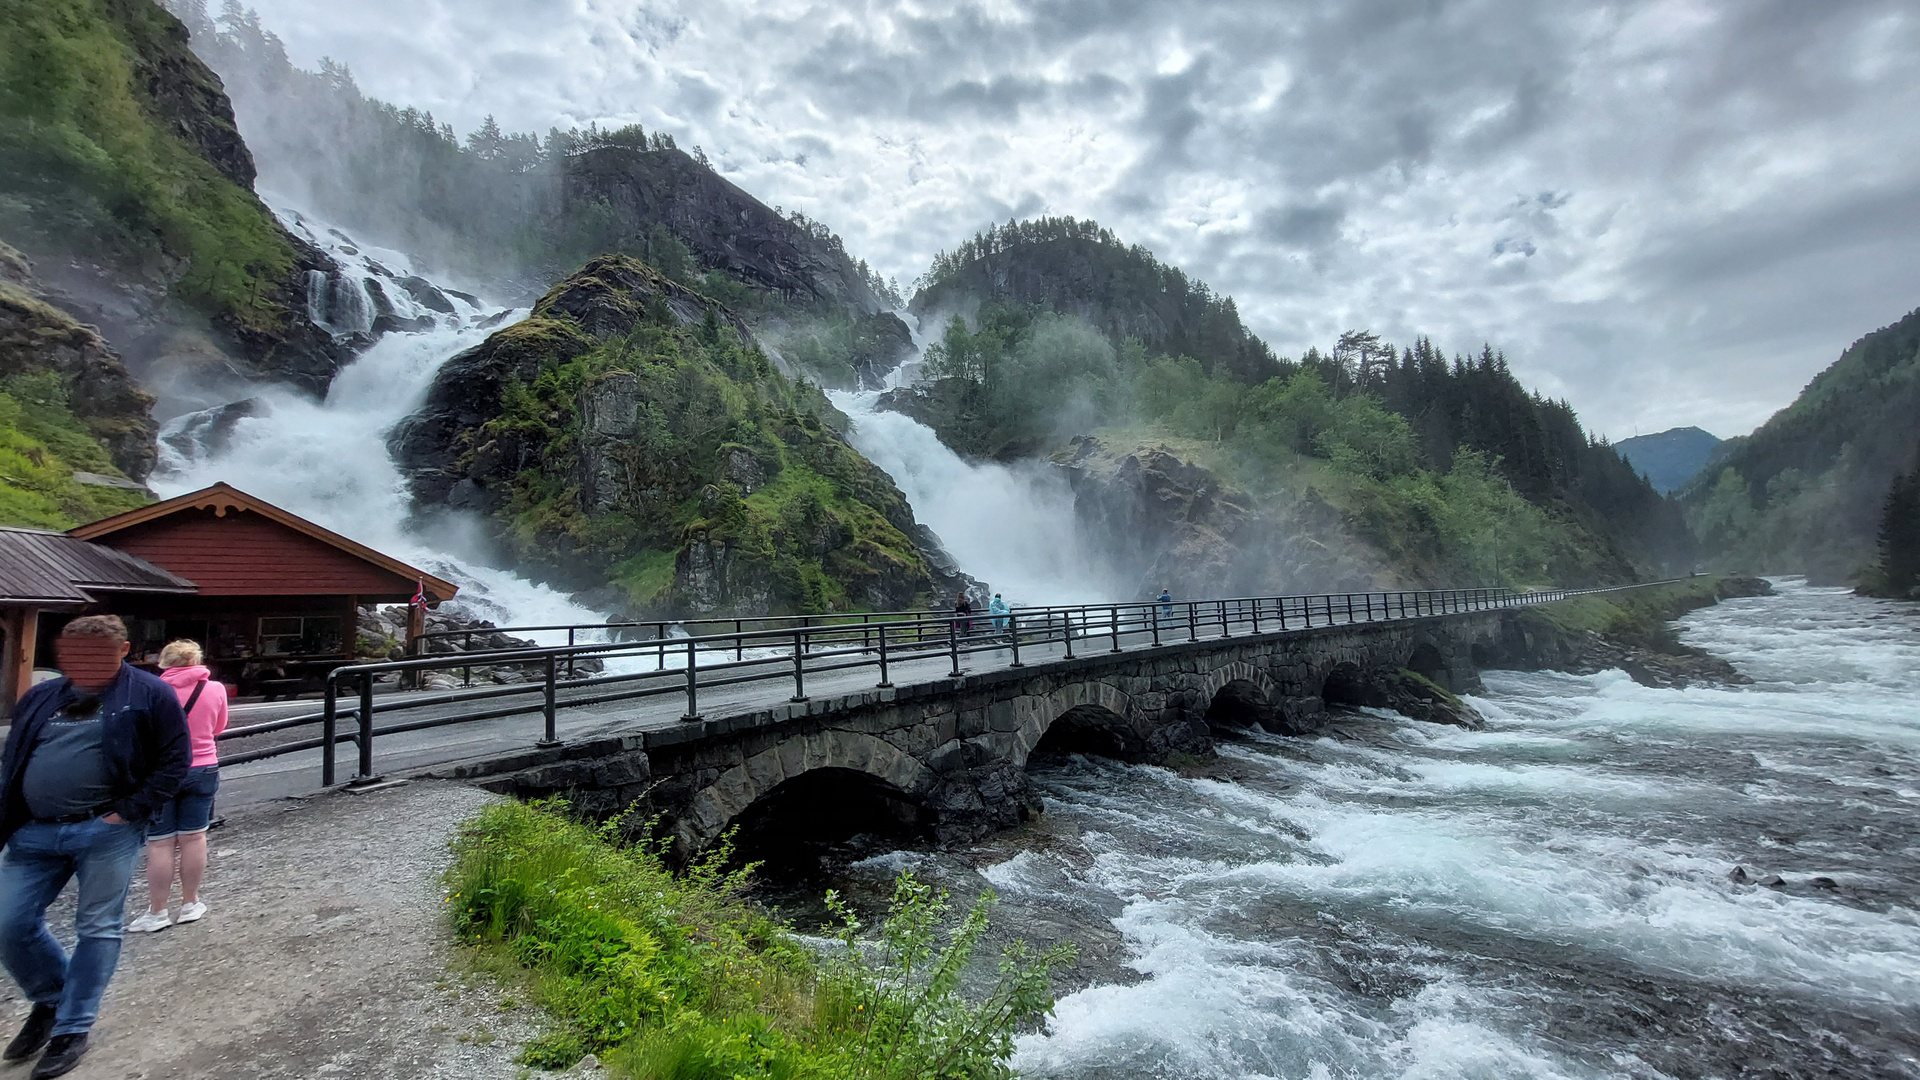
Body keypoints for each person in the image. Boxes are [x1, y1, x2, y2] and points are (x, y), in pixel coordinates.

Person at [0, 615, 189, 1078]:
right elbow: (15, 756)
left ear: (122, 650)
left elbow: (174, 759)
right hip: (34, 830)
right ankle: (52, 999)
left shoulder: (148, 693)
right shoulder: (43, 695)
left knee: (97, 926)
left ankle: (71, 1028)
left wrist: (127, 811)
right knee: (8, 921)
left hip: (105, 831)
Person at [128, 641, 227, 934]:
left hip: (161, 771)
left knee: (160, 842)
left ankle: (157, 911)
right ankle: (190, 904)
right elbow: (218, 727)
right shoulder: (215, 689)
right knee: (194, 838)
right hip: (204, 766)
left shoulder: (151, 690)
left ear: (164, 663)